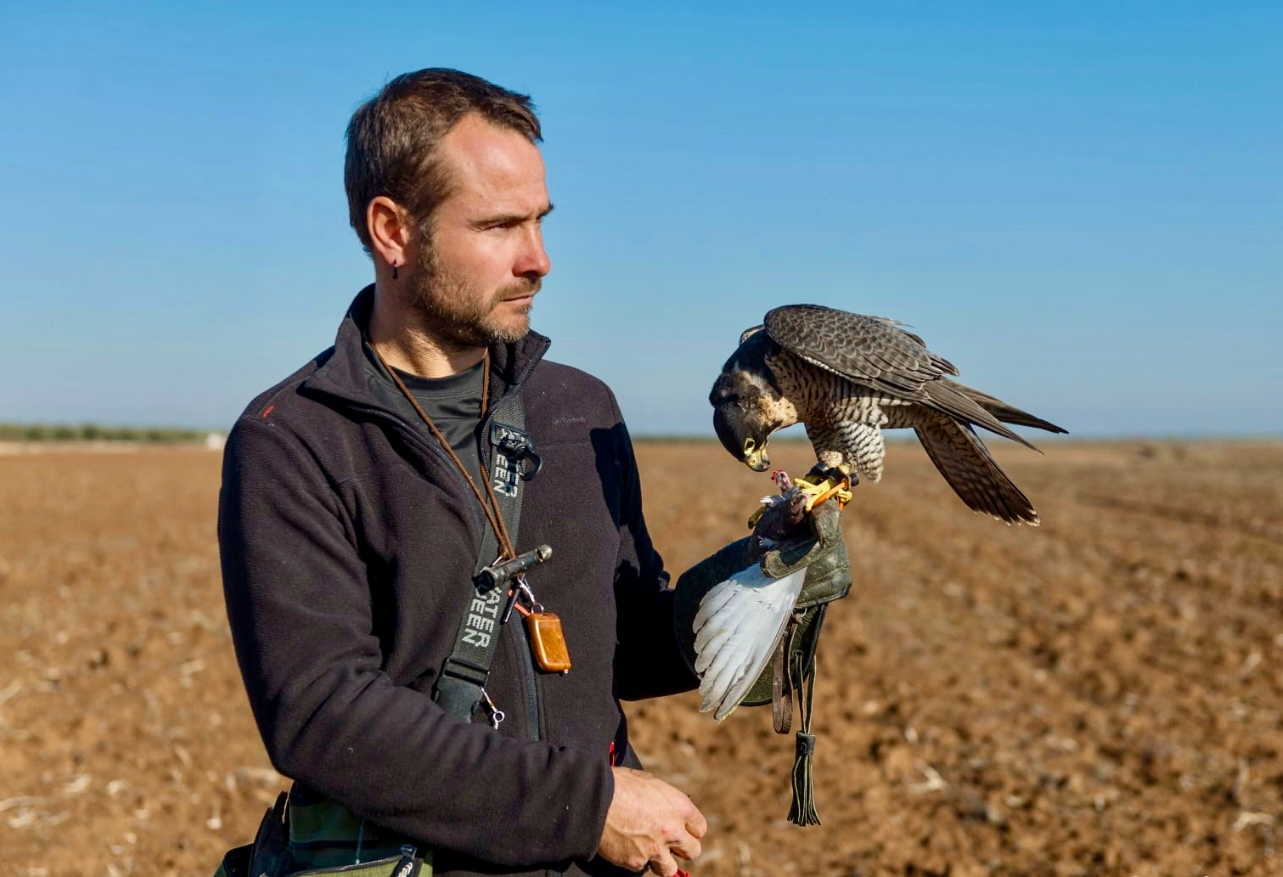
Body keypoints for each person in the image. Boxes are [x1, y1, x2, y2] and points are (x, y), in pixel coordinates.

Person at [218, 69, 847, 877]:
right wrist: (587, 806)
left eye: (541, 221)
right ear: (391, 231)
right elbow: (323, 716)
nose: (539, 259)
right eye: (498, 225)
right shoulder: (296, 440)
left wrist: (763, 571)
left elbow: (620, 644)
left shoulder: (580, 409)